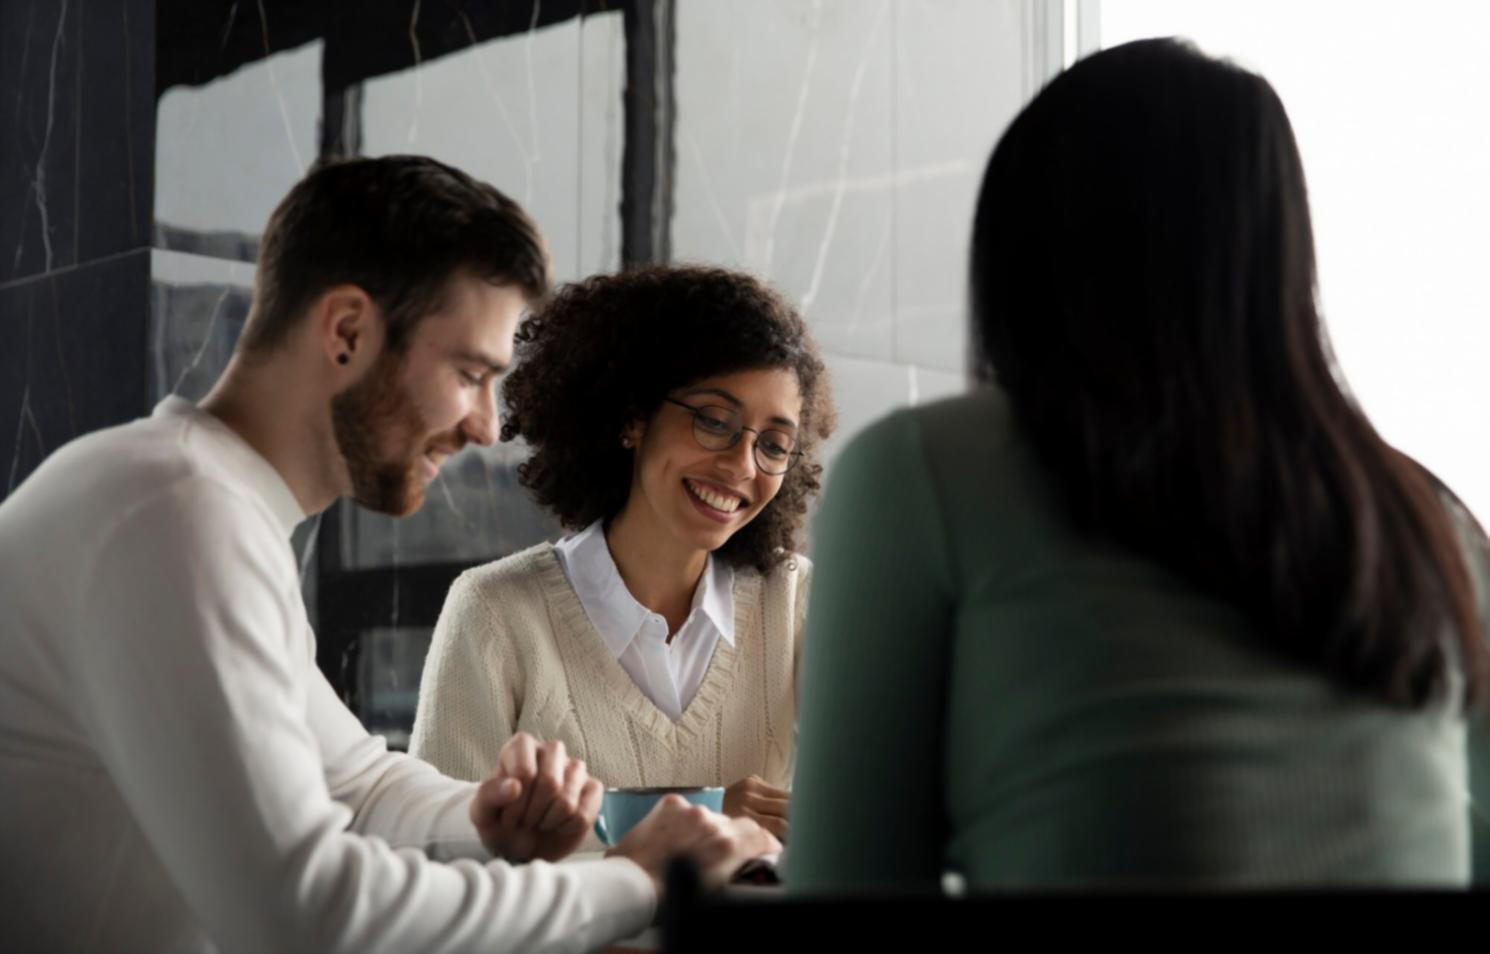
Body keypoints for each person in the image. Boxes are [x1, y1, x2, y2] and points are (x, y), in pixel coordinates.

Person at [0, 155, 776, 953]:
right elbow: (309, 914)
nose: (486, 426)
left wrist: (483, 814)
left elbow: (357, 785)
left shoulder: (193, 502)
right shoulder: (176, 514)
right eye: (470, 373)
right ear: (347, 331)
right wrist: (640, 882)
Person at [786, 38, 1490, 890]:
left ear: (1022, 247)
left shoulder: (922, 472)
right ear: (1281, 248)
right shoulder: (1425, 516)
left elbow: (843, 882)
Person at [410, 265, 836, 845]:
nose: (742, 465)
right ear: (634, 417)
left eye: (774, 445)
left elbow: (886, 803)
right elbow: (440, 857)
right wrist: (704, 818)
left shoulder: (793, 600)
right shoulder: (493, 612)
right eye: (714, 421)